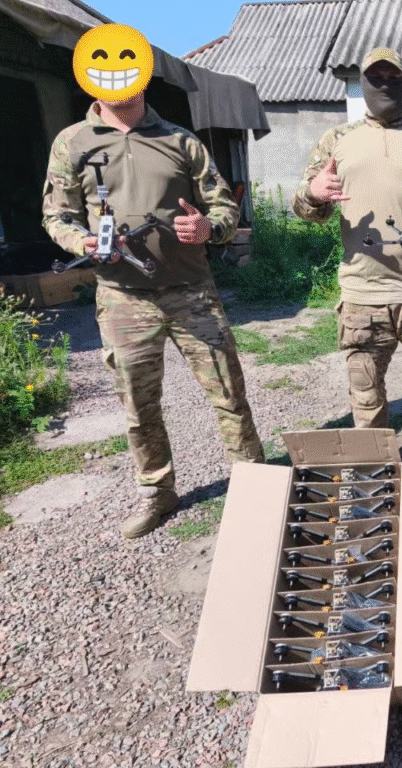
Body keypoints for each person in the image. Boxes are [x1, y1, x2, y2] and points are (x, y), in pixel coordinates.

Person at [42, 94, 264, 539]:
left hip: (192, 291)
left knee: (228, 392)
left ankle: (255, 485)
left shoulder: (181, 140)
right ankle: (157, 492)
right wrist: (81, 242)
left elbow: (223, 204)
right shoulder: (72, 142)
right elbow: (56, 215)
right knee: (138, 406)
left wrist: (209, 227)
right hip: (123, 298)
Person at [293, 48, 402, 479]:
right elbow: (305, 209)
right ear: (363, 83)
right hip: (362, 290)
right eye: (378, 77)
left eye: (395, 77)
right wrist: (315, 194)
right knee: (365, 388)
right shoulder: (337, 141)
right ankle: (374, 470)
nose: (386, 85)